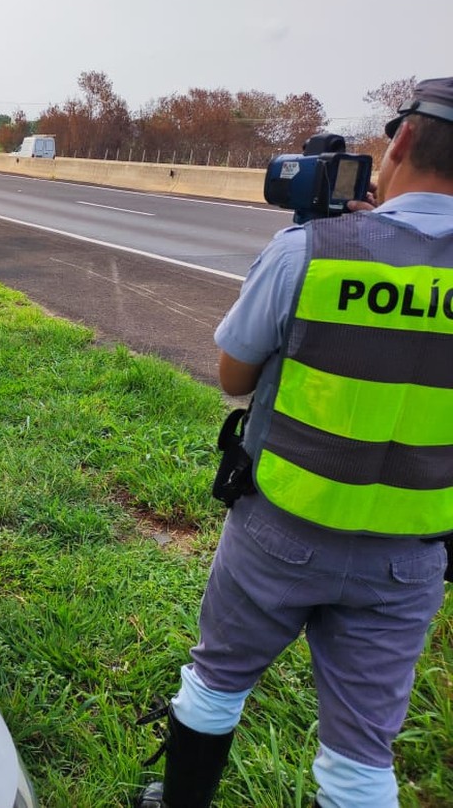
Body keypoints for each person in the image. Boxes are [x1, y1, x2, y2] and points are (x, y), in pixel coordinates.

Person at [138, 77, 453, 808]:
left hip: (282, 528)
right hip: (409, 558)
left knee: (216, 678)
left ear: (400, 141)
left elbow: (232, 375)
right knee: (363, 755)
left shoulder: (310, 250)